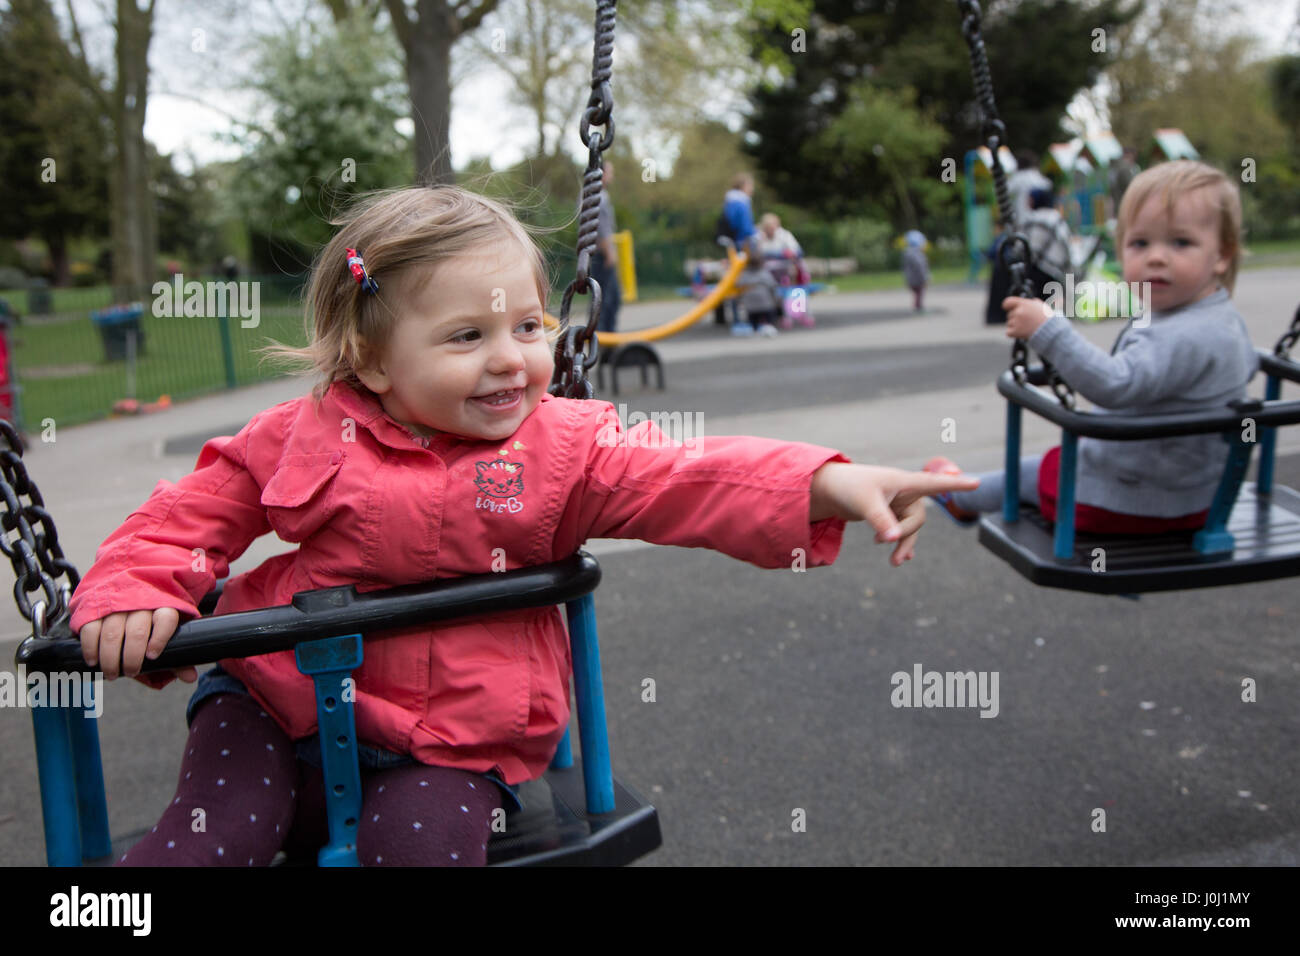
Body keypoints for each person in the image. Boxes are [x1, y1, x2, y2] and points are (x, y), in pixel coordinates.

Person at [70, 185, 978, 867]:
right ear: (372, 361)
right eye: (467, 337)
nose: (512, 358)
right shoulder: (305, 433)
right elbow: (190, 515)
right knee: (205, 846)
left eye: (530, 325)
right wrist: (134, 587)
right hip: (270, 700)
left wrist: (832, 480)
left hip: (453, 741)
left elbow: (693, 476)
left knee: (419, 855)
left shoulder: (568, 449)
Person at [926, 160, 1258, 535]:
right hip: (1199, 499)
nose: (1156, 257)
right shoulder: (1224, 319)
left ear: (1222, 255)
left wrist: (1050, 330)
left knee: (1036, 470)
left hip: (1127, 503)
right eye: (1140, 243)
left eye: (1180, 242)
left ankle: (959, 496)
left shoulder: (1182, 334)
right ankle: (967, 489)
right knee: (1060, 460)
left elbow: (1115, 384)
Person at [1020, 187, 1073, 296]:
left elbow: (1025, 247)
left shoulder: (1032, 219)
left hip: (1037, 273)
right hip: (1055, 271)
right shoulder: (1057, 218)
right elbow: (1066, 245)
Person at [588, 162, 621, 333]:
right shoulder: (598, 196)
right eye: (610, 172)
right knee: (607, 300)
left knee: (605, 299)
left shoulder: (589, 193)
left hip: (596, 254)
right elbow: (600, 227)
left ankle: (605, 340)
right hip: (601, 254)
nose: (612, 175)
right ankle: (604, 340)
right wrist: (609, 253)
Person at [736, 237, 785, 337]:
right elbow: (772, 286)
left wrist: (740, 299)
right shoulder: (764, 273)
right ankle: (770, 326)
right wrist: (776, 299)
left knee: (752, 315)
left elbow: (738, 285)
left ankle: (754, 328)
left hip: (750, 305)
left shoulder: (744, 274)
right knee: (771, 309)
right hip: (765, 304)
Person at [900, 230, 930, 313]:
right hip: (918, 278)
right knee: (920, 292)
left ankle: (918, 306)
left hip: (910, 278)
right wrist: (925, 277)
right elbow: (920, 266)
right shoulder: (917, 253)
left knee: (917, 293)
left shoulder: (907, 252)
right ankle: (918, 307)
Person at [1109, 147, 1140, 217]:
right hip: (1123, 201)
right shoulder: (1124, 168)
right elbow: (1129, 184)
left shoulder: (1133, 167)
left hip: (1124, 201)